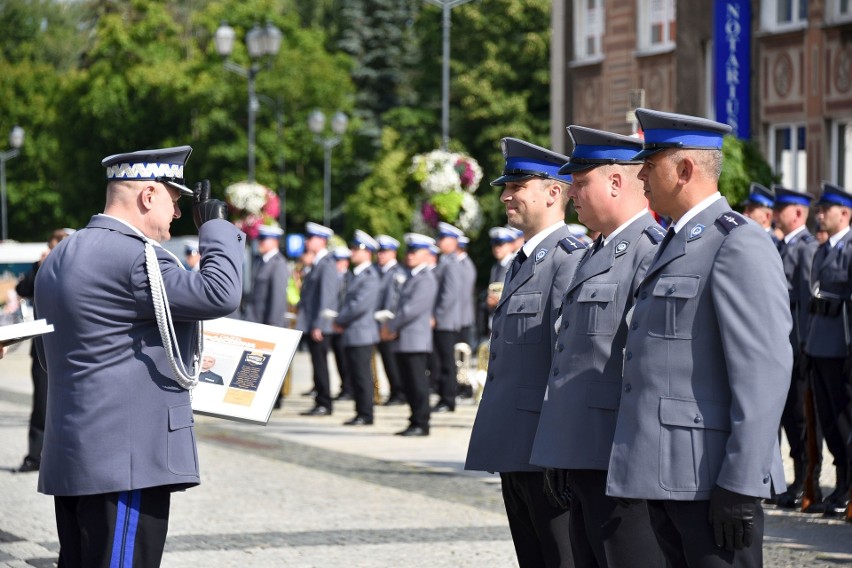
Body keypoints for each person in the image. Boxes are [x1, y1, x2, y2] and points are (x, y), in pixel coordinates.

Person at [33, 146, 244, 566]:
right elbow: (221, 293)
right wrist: (217, 229)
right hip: (125, 460)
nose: (178, 214)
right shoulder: (135, 257)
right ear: (149, 196)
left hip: (78, 455)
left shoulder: (60, 256)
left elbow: (47, 357)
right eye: (175, 201)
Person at [605, 109, 792, 566]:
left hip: (712, 478)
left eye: (651, 164)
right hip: (668, 474)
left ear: (685, 169)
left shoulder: (737, 243)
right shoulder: (676, 240)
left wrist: (742, 482)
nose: (641, 174)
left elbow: (763, 373)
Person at [530, 125, 666, 568]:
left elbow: (648, 364)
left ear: (614, 181)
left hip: (618, 457)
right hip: (584, 452)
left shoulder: (651, 250)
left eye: (580, 181)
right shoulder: (594, 251)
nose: (571, 193)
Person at [465, 137, 586, 568]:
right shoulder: (523, 259)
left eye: (517, 186)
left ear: (554, 192)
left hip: (544, 450)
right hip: (517, 447)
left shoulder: (569, 260)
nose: (505, 195)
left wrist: (561, 451)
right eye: (506, 186)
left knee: (560, 558)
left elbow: (566, 361)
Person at [803, 181, 852, 518]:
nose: (819, 215)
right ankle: (841, 485)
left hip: (842, 348)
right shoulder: (822, 250)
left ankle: (848, 488)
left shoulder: (849, 248)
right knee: (829, 423)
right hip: (819, 345)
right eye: (819, 210)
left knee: (845, 420)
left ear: (845, 213)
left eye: (826, 210)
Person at [771, 185, 822, 511]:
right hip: (781, 345)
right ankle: (795, 480)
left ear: (799, 213)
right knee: (788, 416)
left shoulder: (804, 249)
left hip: (796, 346)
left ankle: (807, 479)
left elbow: (805, 302)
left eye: (783, 209)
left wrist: (803, 344)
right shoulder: (781, 247)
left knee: (801, 419)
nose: (777, 214)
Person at [13, 227, 74, 473]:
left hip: (71, 347)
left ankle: (67, 455)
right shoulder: (41, 269)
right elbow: (21, 290)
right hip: (42, 348)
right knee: (41, 404)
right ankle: (35, 456)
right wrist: (39, 267)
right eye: (51, 247)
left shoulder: (74, 268)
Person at [382, 233, 438, 436]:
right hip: (406, 338)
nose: (410, 255)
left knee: (417, 383)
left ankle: (421, 423)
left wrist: (391, 326)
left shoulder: (426, 278)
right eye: (409, 251)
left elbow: (411, 309)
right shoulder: (412, 276)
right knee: (410, 383)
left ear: (426, 254)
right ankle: (414, 419)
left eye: (415, 252)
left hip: (415, 339)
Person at [334, 231, 381, 425]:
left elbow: (359, 305)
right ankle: (360, 411)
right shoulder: (357, 274)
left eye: (356, 249)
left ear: (367, 252)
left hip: (361, 332)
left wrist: (339, 320)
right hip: (354, 332)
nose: (352, 252)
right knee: (356, 374)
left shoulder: (369, 276)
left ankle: (366, 414)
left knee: (362, 375)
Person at [296, 222, 338, 416]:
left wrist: (320, 324)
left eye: (311, 238)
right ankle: (320, 400)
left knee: (320, 364)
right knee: (316, 363)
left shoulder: (327, 263)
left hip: (319, 324)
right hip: (312, 322)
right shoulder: (318, 263)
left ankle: (324, 402)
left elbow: (327, 297)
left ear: (321, 241)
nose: (307, 241)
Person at [431, 222, 464, 413]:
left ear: (453, 241)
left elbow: (449, 295)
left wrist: (437, 315)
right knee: (441, 361)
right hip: (442, 319)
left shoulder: (451, 264)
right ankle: (444, 397)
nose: (439, 242)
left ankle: (448, 399)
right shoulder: (444, 261)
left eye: (443, 239)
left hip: (446, 320)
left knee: (446, 362)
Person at [374, 234, 408, 406]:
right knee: (387, 360)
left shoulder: (397, 273)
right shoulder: (378, 271)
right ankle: (395, 391)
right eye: (379, 251)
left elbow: (396, 300)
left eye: (385, 251)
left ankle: (399, 392)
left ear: (393, 253)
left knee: (393, 361)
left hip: (391, 323)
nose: (381, 255)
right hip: (379, 322)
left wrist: (392, 325)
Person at [244, 225, 289, 328]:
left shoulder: (278, 263)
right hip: (256, 320)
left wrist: (274, 324)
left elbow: (278, 297)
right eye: (260, 239)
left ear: (274, 241)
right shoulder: (261, 261)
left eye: (263, 239)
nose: (260, 242)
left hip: (267, 322)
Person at [330, 246, 353, 401]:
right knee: (338, 358)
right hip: (335, 322)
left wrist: (342, 320)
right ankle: (344, 386)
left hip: (345, 323)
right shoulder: (334, 277)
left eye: (339, 261)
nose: (337, 264)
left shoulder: (349, 278)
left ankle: (348, 388)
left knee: (346, 359)